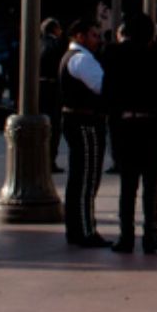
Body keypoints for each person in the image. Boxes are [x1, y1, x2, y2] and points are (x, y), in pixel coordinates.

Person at [104, 13, 157, 254]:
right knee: (151, 186)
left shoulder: (112, 55)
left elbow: (107, 95)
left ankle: (125, 236)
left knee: (127, 186)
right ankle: (152, 234)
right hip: (150, 127)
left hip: (124, 126)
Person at [58, 18, 111, 248]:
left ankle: (78, 228)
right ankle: (84, 230)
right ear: (79, 36)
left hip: (77, 120)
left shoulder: (74, 58)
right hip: (85, 122)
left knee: (81, 177)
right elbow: (102, 87)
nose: (97, 40)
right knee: (87, 177)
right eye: (93, 35)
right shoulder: (81, 59)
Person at [38, 18, 68, 174]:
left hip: (37, 89)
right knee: (54, 126)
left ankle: (38, 160)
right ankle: (50, 160)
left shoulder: (34, 44)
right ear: (55, 30)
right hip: (53, 88)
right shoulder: (58, 46)